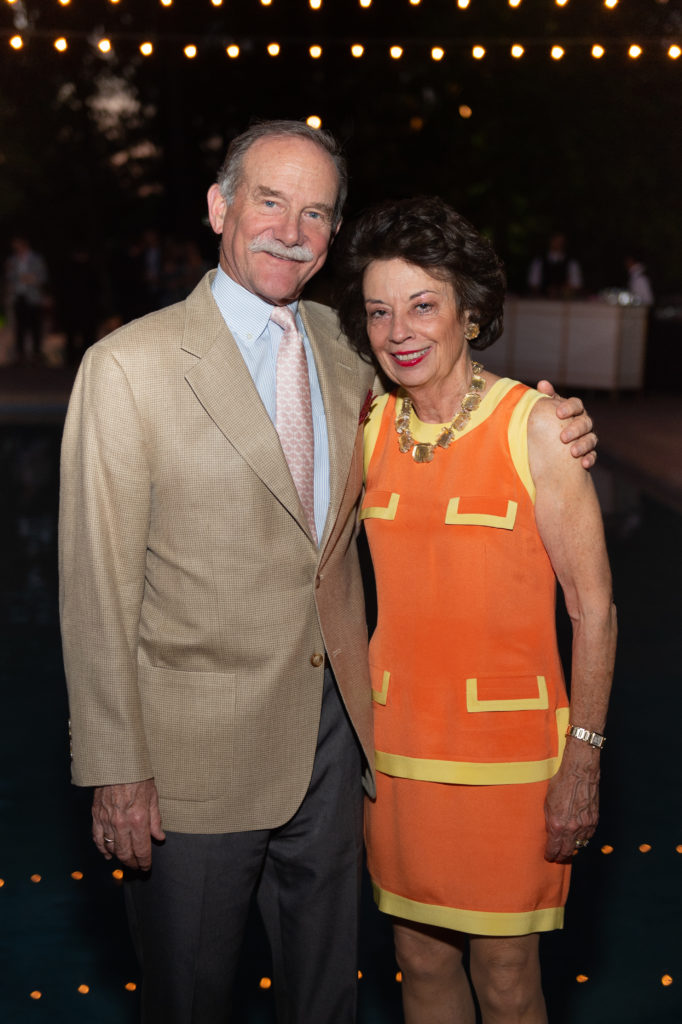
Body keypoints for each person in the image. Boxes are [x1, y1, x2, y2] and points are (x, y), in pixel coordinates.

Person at [59, 121, 597, 1024]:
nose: (291, 229)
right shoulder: (128, 367)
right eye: (269, 201)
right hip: (192, 769)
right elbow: (94, 591)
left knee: (327, 1002)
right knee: (188, 1000)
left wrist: (556, 423)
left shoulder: (350, 348)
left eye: (316, 213)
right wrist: (117, 767)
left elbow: (449, 389)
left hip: (340, 751)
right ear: (219, 207)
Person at [335, 196, 616, 1024]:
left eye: (423, 305)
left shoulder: (538, 429)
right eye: (380, 311)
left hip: (509, 765)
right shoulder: (368, 428)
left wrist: (585, 760)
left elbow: (593, 611)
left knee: (506, 979)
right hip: (397, 755)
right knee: (417, 963)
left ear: (471, 312)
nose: (400, 331)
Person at [5, 235, 49, 363]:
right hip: (18, 296)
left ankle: (36, 353)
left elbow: (43, 277)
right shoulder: (12, 260)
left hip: (33, 297)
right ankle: (20, 354)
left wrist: (32, 279)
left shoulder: (36, 259)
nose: (15, 248)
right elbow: (9, 277)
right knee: (20, 326)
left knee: (36, 325)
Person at [527, 232, 583, 299]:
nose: (559, 244)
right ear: (550, 241)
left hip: (564, 301)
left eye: (561, 242)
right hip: (542, 300)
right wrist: (546, 290)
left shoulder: (571, 263)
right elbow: (533, 284)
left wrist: (563, 290)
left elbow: (576, 285)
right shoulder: (539, 261)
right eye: (556, 241)